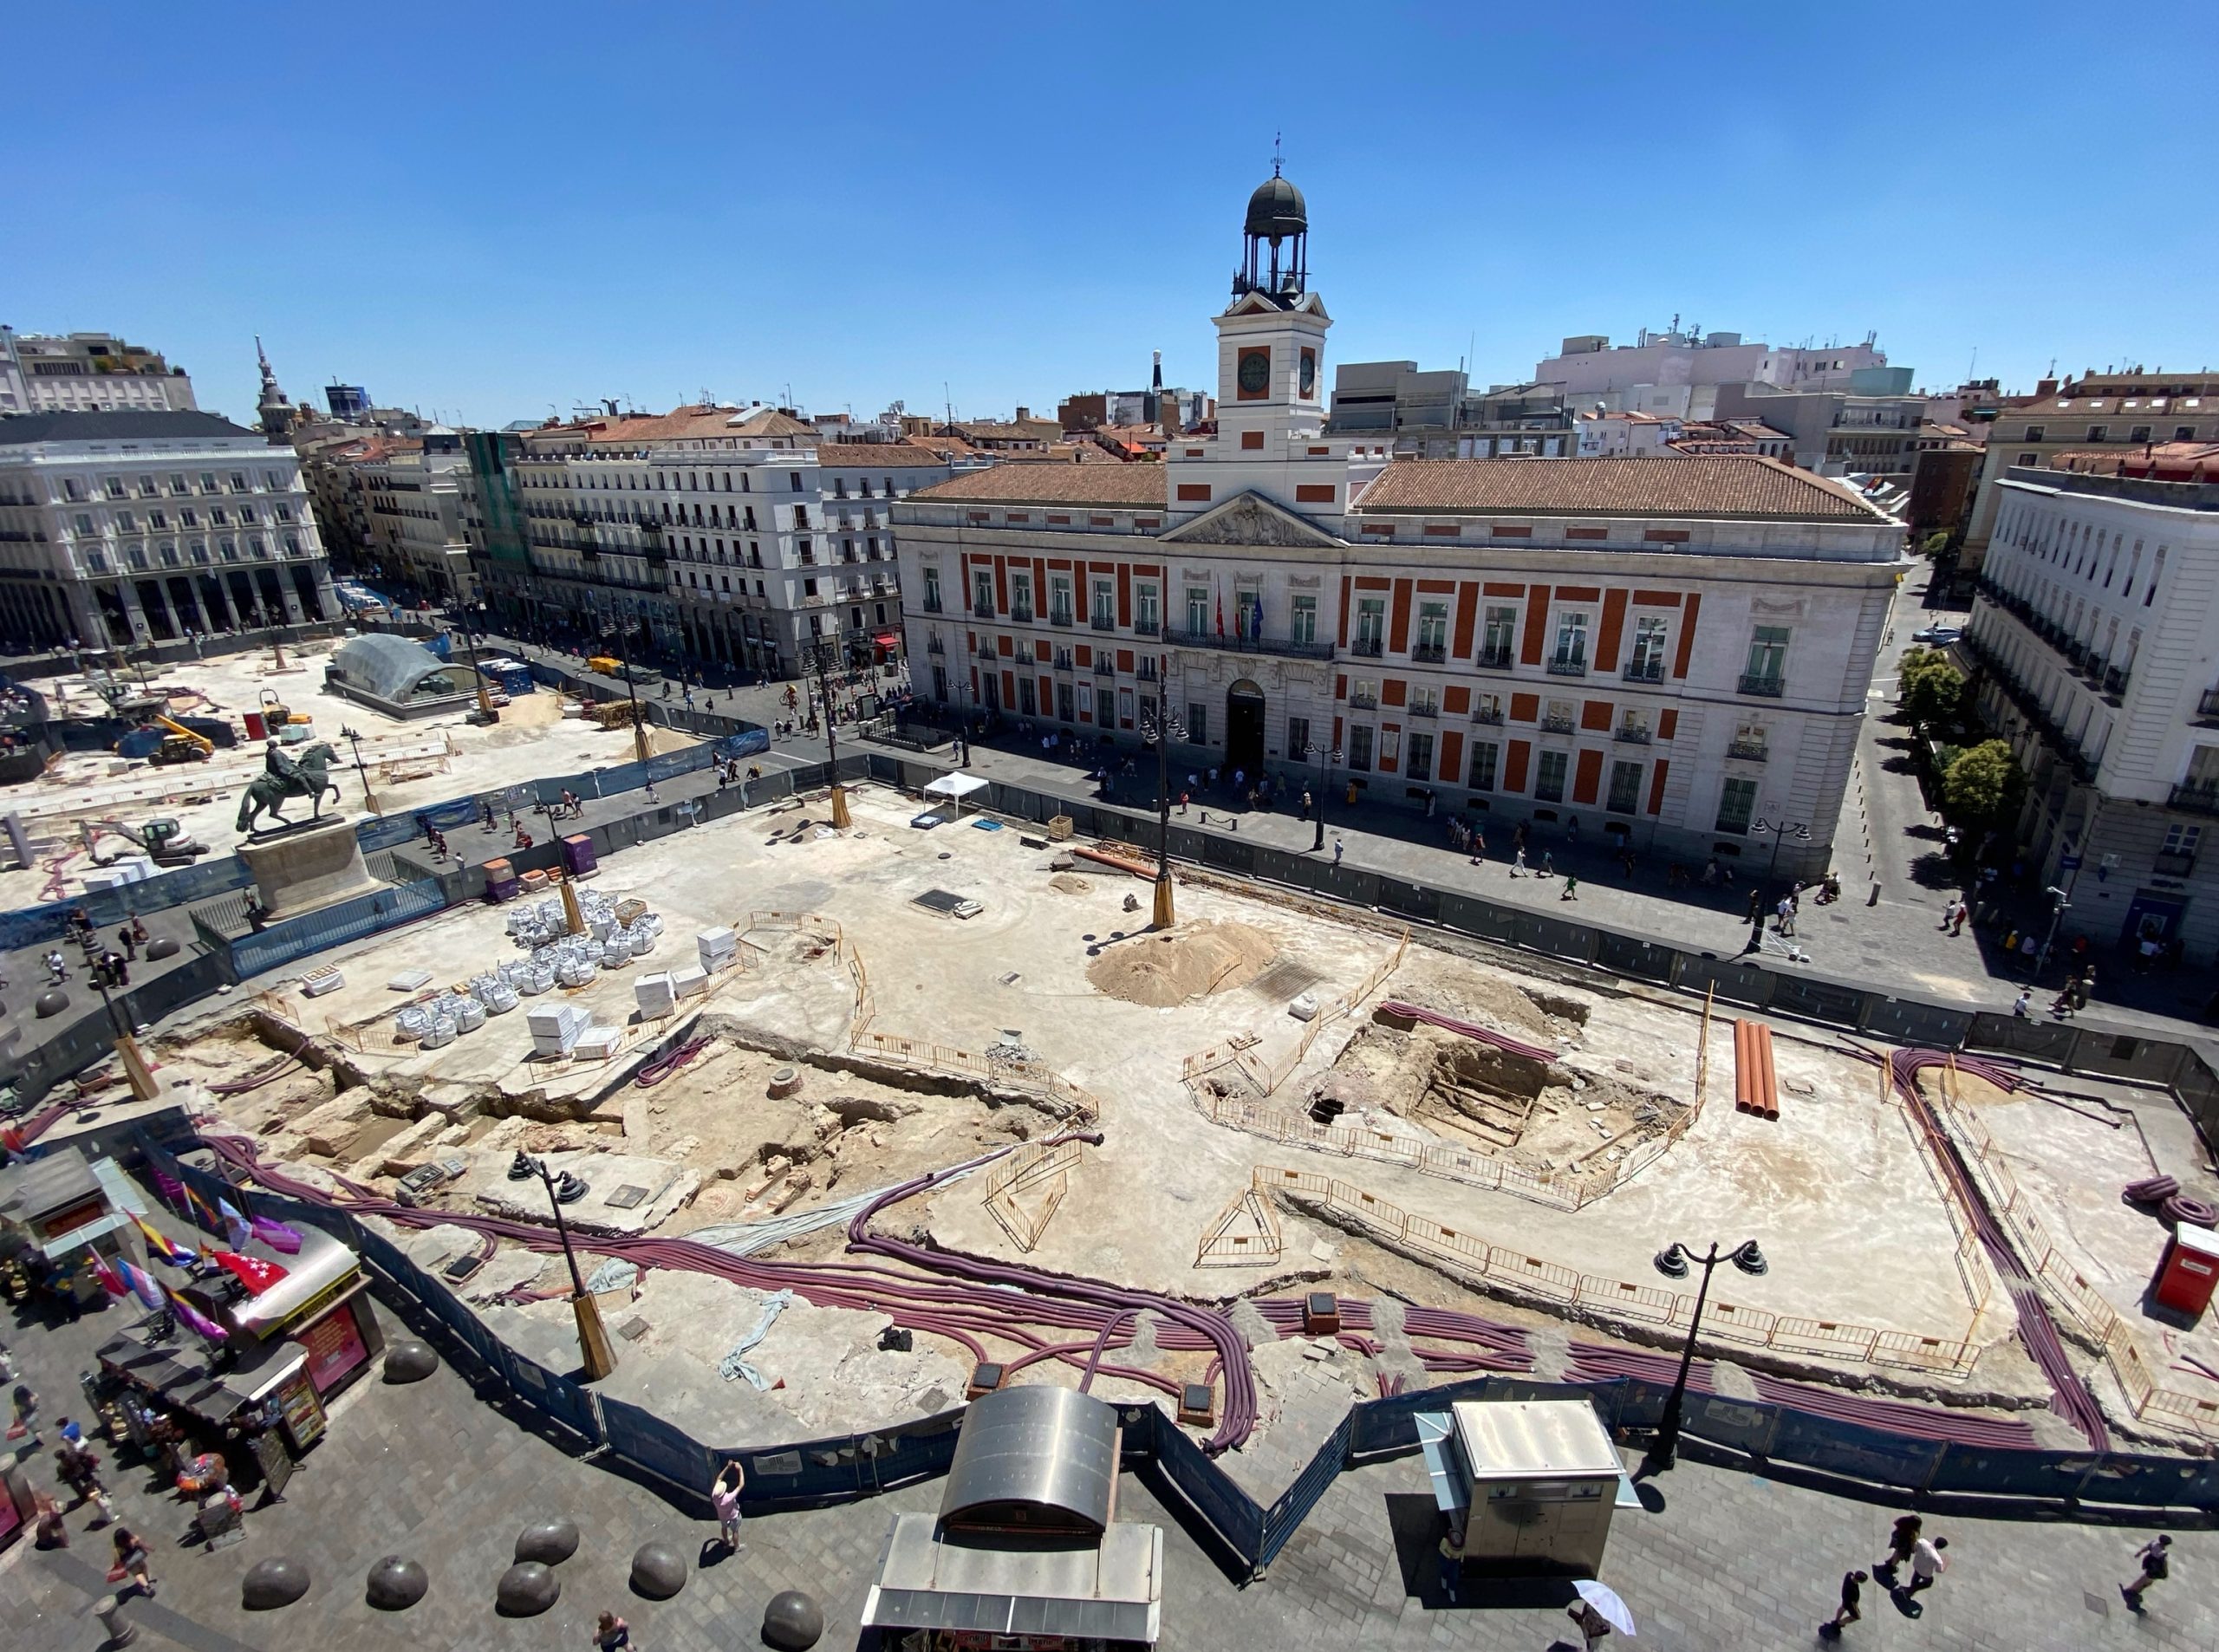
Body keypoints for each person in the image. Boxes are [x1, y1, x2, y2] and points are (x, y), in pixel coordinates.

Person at [2122, 1534, 2171, 1610]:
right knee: (2145, 1580)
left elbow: (2147, 1548)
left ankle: (2134, 1592)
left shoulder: (2154, 1544)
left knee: (2147, 1581)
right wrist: (2165, 1573)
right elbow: (2163, 1563)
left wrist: (2139, 1552)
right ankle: (2130, 1592)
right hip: (2154, 1568)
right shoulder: (2162, 1553)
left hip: (2149, 1563)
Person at [711, 1458, 746, 1551]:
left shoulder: (714, 1495)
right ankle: (737, 1547)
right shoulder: (729, 1498)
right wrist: (740, 1469)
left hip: (722, 1516)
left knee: (724, 1527)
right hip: (733, 1517)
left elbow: (718, 1478)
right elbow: (741, 1485)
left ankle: (726, 1540)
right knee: (735, 1531)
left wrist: (727, 1467)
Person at [1876, 1514, 1920, 1584]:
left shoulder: (1904, 1520)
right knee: (1898, 1557)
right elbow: (1912, 1542)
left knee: (1896, 1553)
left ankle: (1889, 1564)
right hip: (1904, 1544)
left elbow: (1896, 1522)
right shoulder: (1912, 1532)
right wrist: (1913, 1549)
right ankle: (1890, 1568)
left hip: (1898, 1539)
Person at [112, 1525, 155, 1596]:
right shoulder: (133, 1540)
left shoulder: (117, 1549)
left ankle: (147, 1586)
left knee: (138, 1574)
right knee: (144, 1567)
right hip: (137, 1557)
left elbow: (117, 1560)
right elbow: (142, 1544)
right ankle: (146, 1581)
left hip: (129, 1563)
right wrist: (150, 1548)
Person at [1902, 1533, 1948, 1598]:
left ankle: (1910, 1590)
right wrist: (1945, 1563)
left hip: (1917, 1565)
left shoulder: (1922, 1542)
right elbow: (1939, 1570)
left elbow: (1914, 1549)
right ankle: (1911, 1590)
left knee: (1916, 1576)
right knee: (1929, 1582)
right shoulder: (1937, 1558)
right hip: (1926, 1573)